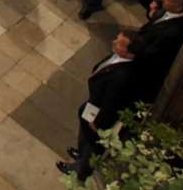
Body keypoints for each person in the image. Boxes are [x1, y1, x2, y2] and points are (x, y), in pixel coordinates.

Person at [56, 28, 149, 180]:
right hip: (94, 104)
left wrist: (98, 123)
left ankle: (81, 170)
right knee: (84, 125)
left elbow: (111, 105)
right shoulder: (119, 57)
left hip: (100, 115)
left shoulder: (122, 77)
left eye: (119, 44)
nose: (114, 43)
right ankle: (81, 152)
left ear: (129, 53)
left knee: (93, 144)